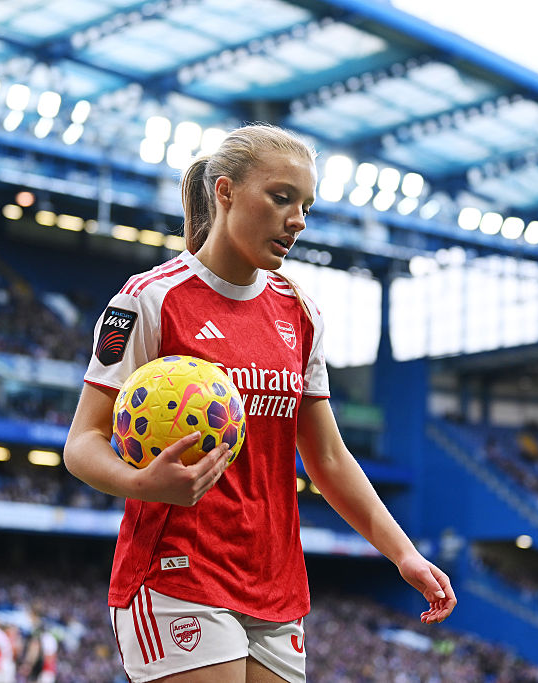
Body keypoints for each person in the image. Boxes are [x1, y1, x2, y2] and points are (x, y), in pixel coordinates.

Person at [64, 123, 456, 683]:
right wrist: (144, 484)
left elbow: (328, 458)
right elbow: (82, 444)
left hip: (275, 584)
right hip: (178, 573)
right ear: (224, 193)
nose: (297, 219)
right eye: (280, 198)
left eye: (305, 205)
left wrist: (403, 554)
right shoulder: (148, 301)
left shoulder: (299, 313)